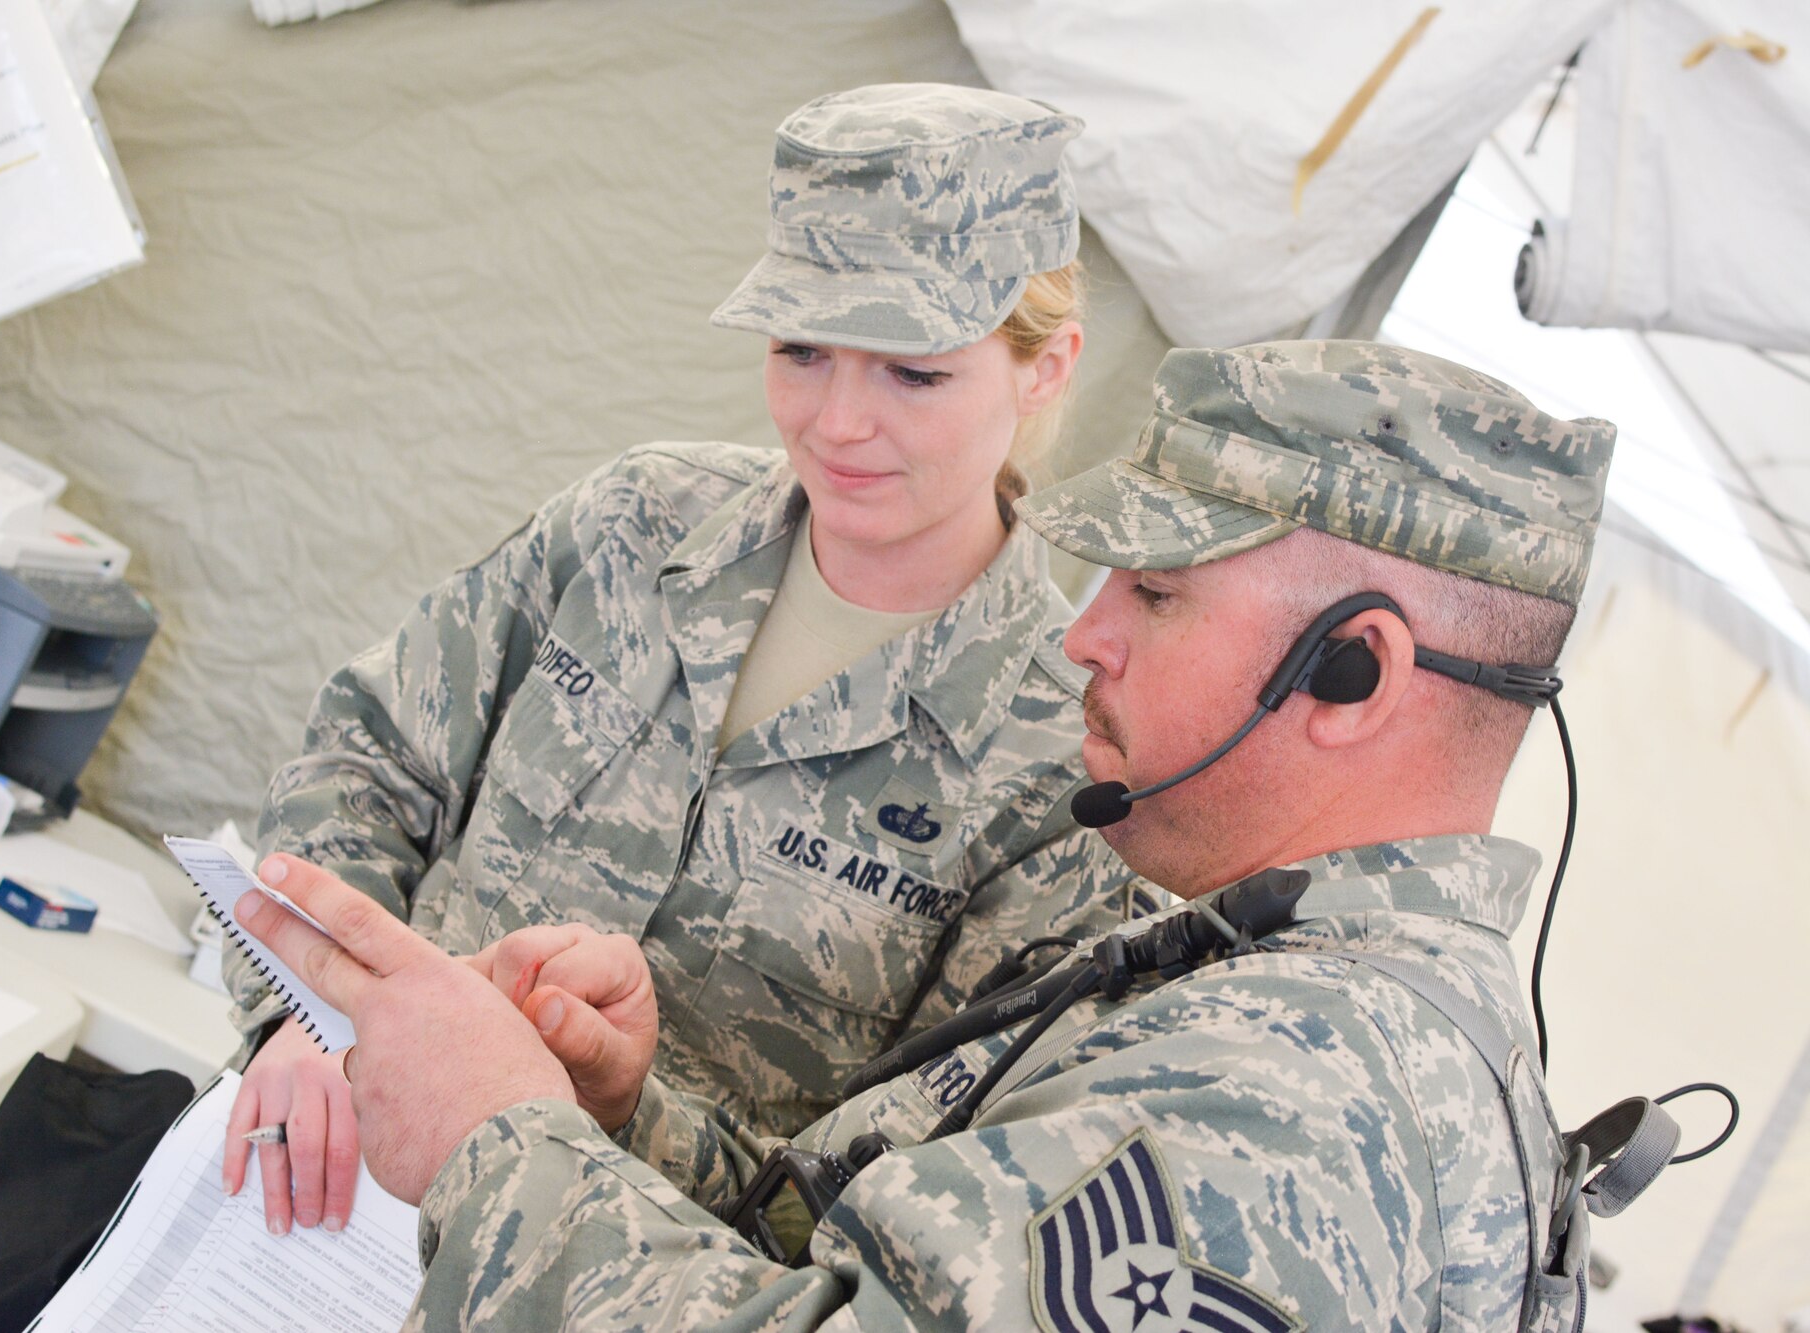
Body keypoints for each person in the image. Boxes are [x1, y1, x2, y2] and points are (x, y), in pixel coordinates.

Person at [239, 339, 1625, 1330]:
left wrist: (496, 1136)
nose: (1083, 634)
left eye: (1152, 592)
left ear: (1354, 672)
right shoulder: (1258, 990)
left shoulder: (1291, 1102)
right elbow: (873, 1273)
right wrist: (625, 1124)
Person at [223, 83, 1145, 1236]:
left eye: (913, 372)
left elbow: (892, 1214)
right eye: (801, 349)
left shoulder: (1056, 768)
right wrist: (306, 1021)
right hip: (310, 1199)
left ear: (1045, 368)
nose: (837, 422)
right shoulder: (634, 525)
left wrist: (618, 1108)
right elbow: (371, 751)